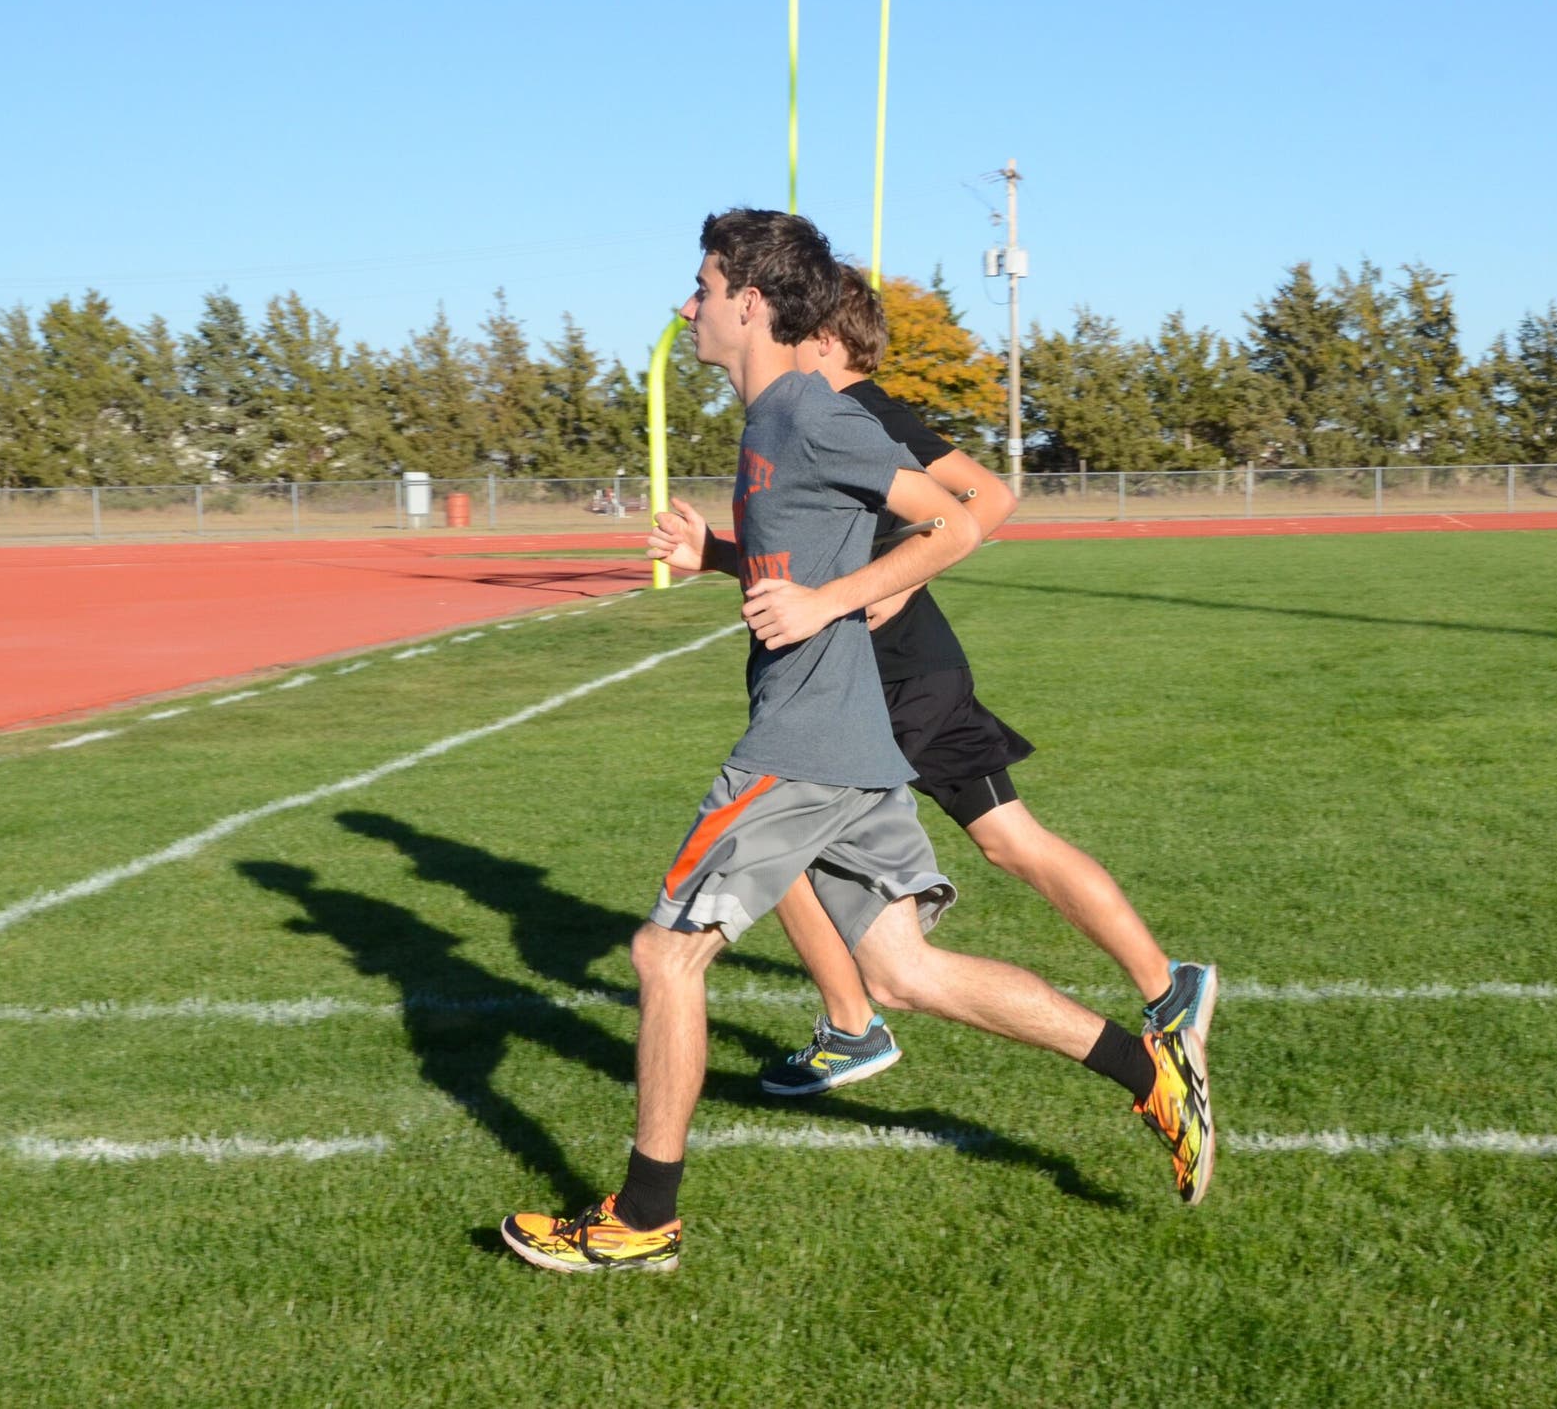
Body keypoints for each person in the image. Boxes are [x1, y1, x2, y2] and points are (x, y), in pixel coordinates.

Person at [500, 210, 1211, 1276]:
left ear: (750, 301)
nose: (683, 307)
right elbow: (807, 553)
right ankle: (1150, 1073)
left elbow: (956, 521)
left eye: (699, 286)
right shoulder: (770, 421)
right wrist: (717, 560)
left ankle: (644, 1219)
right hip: (851, 745)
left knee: (664, 953)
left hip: (803, 746)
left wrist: (835, 598)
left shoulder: (810, 415)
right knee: (907, 976)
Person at [745, 267, 1217, 1101]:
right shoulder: (836, 417)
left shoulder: (859, 412)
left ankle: (852, 1028)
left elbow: (986, 498)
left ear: (823, 338)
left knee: (772, 843)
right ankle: (1169, 986)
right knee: (1009, 837)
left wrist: (893, 583)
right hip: (915, 672)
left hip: (892, 681)